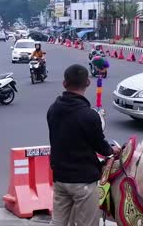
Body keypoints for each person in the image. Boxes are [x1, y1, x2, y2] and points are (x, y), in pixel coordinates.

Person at [47, 64, 121, 226]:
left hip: (60, 177)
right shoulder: (89, 115)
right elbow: (100, 146)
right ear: (87, 83)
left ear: (64, 84)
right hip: (83, 181)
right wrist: (112, 149)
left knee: (58, 222)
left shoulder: (53, 109)